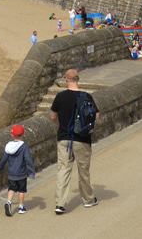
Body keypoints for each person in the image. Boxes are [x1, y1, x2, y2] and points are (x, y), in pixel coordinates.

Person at [49, 69, 98, 214]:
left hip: (64, 138)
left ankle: (60, 204)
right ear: (78, 79)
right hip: (82, 139)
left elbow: (52, 116)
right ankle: (88, 199)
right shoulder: (86, 96)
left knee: (63, 170)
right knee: (83, 171)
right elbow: (97, 115)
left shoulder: (60, 96)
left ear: (66, 79)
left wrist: (61, 124)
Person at [0, 124, 36, 216]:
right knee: (21, 190)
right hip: (21, 173)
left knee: (11, 189)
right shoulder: (24, 146)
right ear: (23, 134)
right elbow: (28, 159)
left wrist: (0, 167)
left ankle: (8, 202)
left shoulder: (8, 146)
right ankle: (21, 207)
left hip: (11, 174)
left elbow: (4, 159)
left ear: (12, 135)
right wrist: (31, 172)